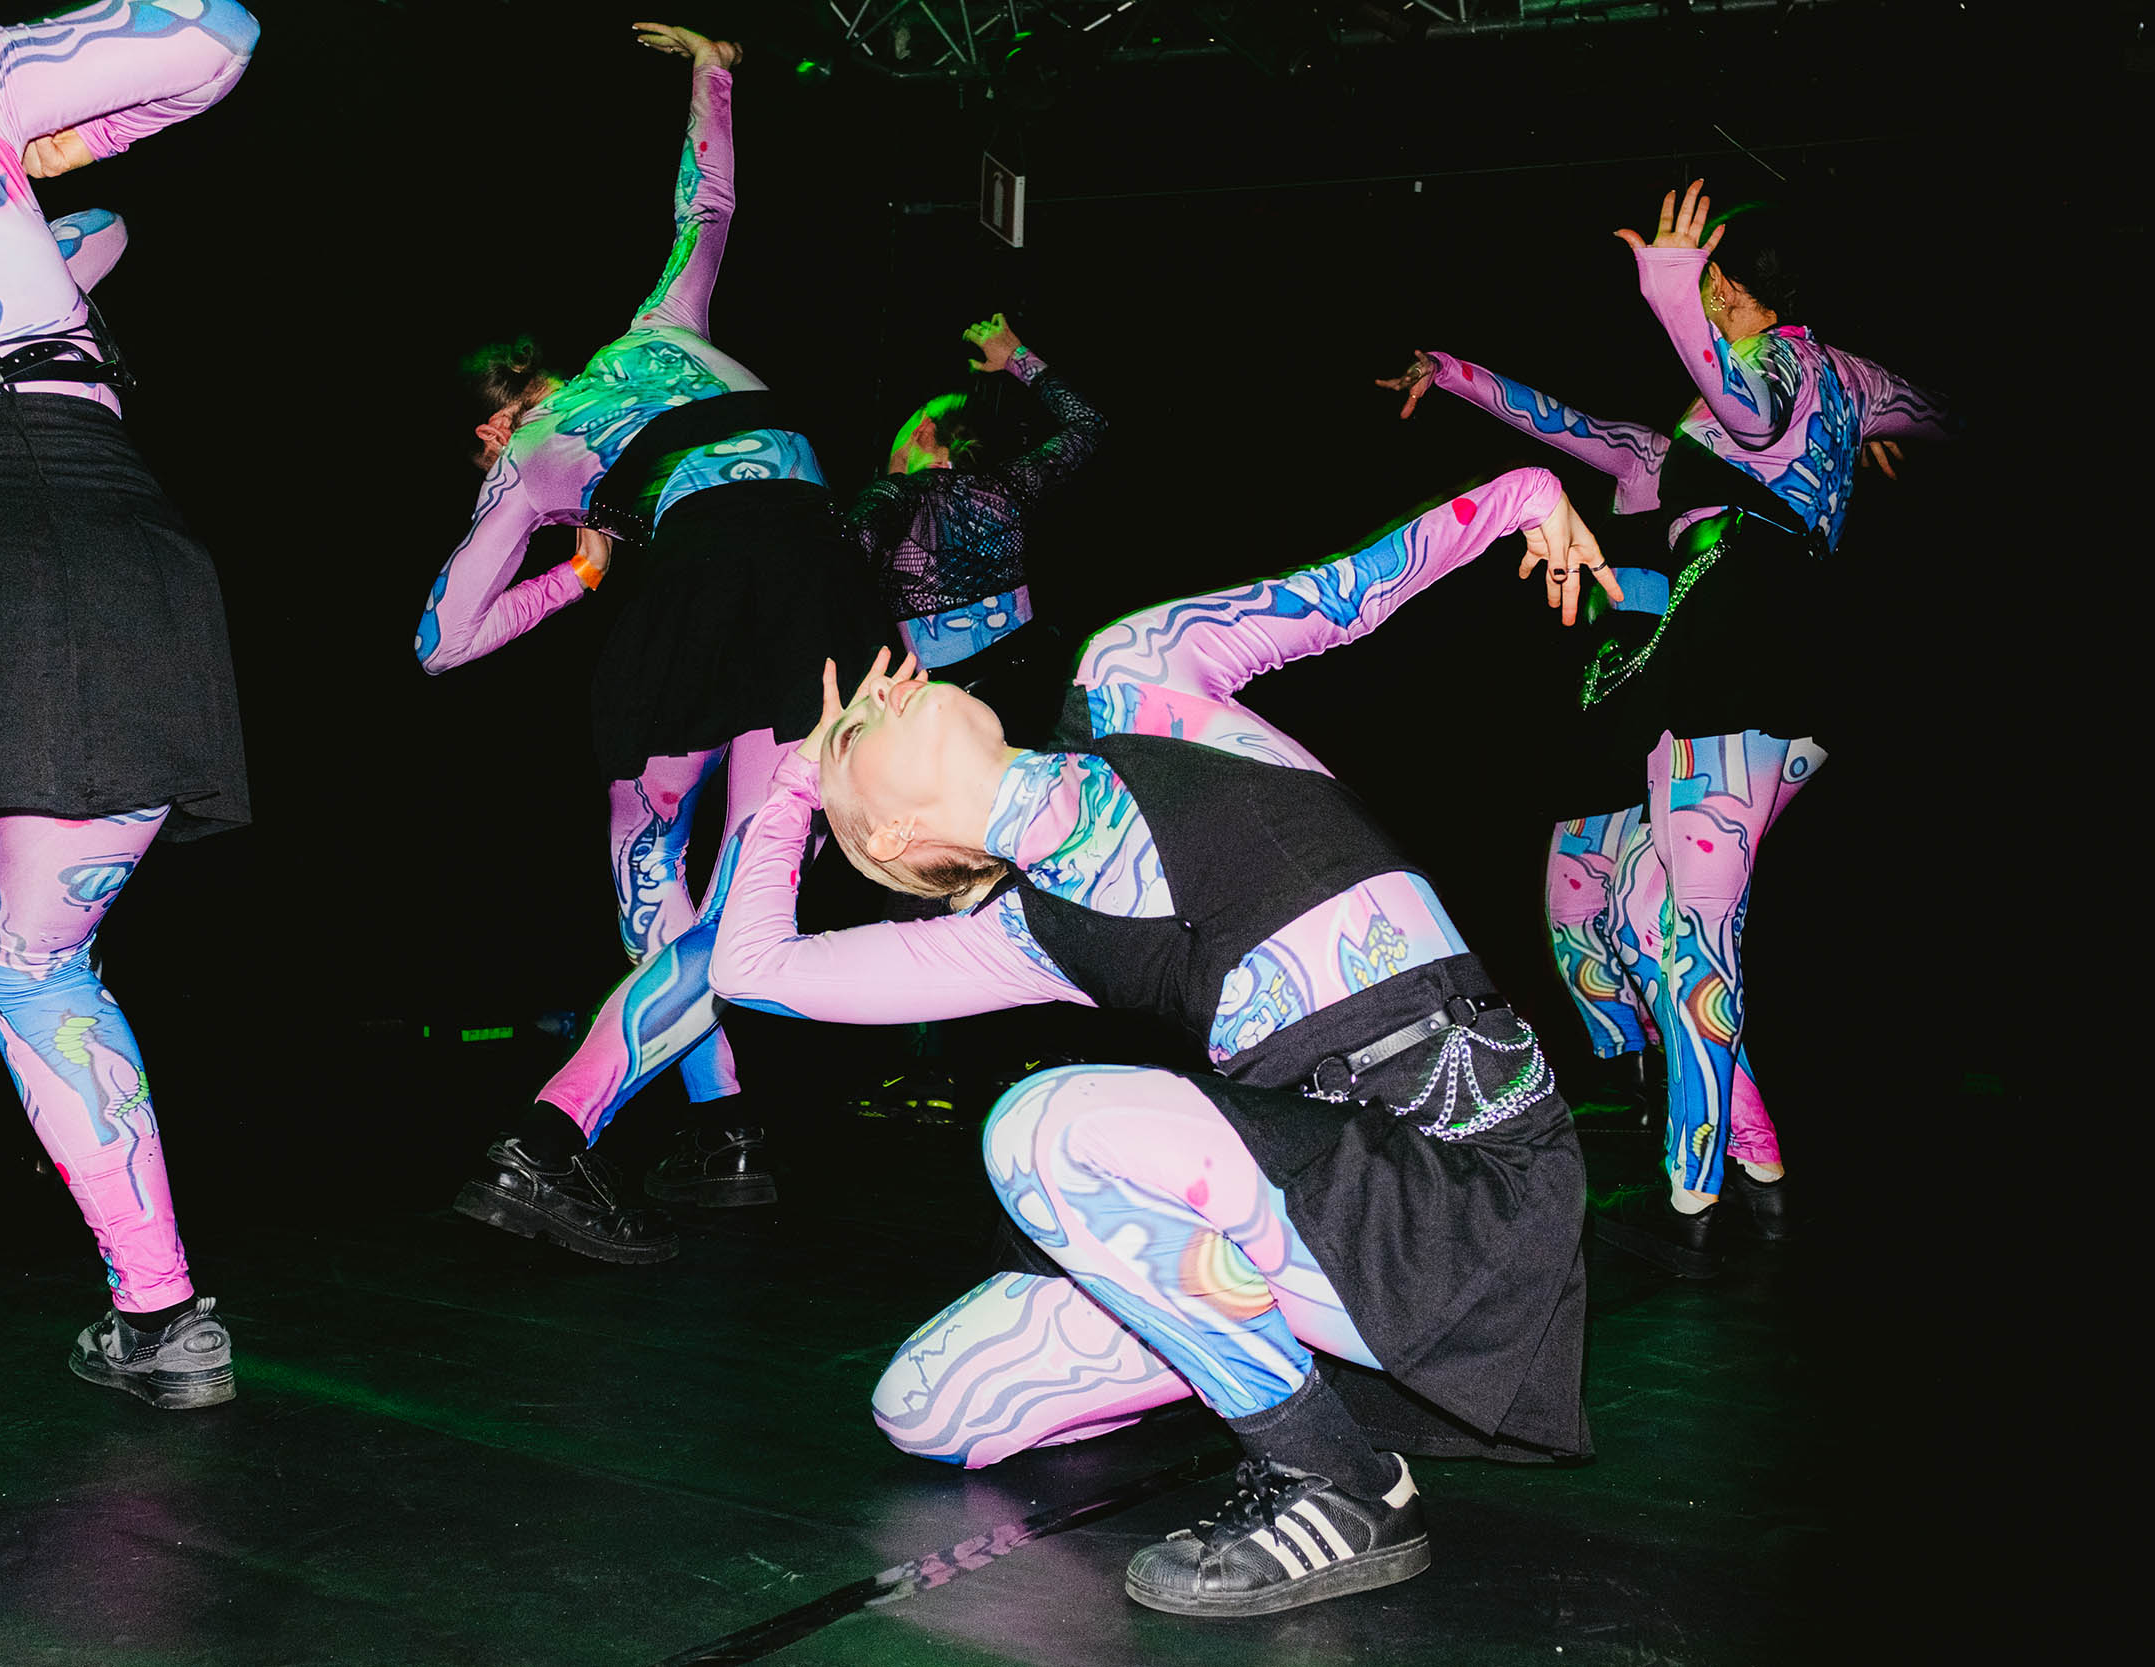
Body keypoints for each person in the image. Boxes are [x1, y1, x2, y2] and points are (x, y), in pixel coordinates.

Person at [706, 467, 1600, 1617]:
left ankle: (1339, 1482)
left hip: (1468, 1195)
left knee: (1041, 1128)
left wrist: (1525, 493)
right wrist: (795, 784)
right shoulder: (1023, 935)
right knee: (927, 1407)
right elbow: (751, 968)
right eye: (852, 739)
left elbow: (1349, 590)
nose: (869, 700)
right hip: (1307, 1221)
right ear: (893, 834)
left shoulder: (1140, 679)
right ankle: (1242, 1338)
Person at [1374, 179, 1954, 1276]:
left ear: (1745, 292)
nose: (1713, 306)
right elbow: (1570, 421)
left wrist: (1672, 292)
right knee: (1650, 915)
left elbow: (1754, 406)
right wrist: (1452, 371)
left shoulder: (1773, 372)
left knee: (1693, 929)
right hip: (1772, 668)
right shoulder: (1839, 383)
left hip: (1735, 661)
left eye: (1722, 288)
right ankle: (1754, 1156)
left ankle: (1694, 1190)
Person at [416, 23, 887, 1261]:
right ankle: (705, 1134)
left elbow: (438, 643)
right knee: (742, 897)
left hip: (698, 600)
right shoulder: (655, 329)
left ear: (489, 425)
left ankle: (592, 1134)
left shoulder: (523, 461)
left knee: (650, 867)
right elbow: (706, 208)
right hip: (802, 570)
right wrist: (711, 68)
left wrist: (571, 576)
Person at [0, 0, 262, 1408]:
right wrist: (53, 131)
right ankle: (162, 1317)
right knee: (33, 962)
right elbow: (213, 33)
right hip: (105, 549)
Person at [840, 314, 1106, 1106]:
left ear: (930, 439)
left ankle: (927, 1060)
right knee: (1034, 855)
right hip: (1027, 690)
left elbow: (837, 566)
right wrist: (1016, 356)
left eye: (908, 427)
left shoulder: (891, 494)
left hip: (951, 703)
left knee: (922, 867)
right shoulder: (1006, 487)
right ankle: (1043, 1048)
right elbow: (1088, 427)